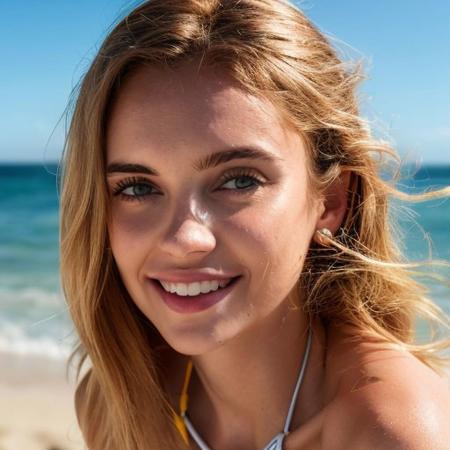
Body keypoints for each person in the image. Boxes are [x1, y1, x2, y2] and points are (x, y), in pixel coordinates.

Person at [60, 0, 450, 449]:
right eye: (136, 188)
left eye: (239, 180)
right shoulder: (116, 406)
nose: (185, 238)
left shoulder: (393, 434)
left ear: (331, 200)